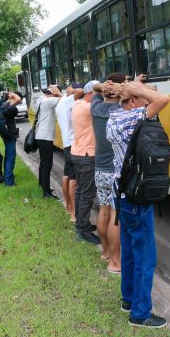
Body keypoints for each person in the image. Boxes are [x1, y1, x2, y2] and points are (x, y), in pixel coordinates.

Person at [106, 76, 170, 328]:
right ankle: (140, 313)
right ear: (132, 100)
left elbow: (152, 95)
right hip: (136, 197)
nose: (147, 101)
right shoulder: (134, 117)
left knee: (130, 250)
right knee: (145, 257)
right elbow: (163, 99)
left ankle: (128, 300)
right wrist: (135, 88)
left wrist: (134, 87)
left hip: (121, 194)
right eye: (141, 98)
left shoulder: (115, 116)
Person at [91, 74, 126, 272]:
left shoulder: (95, 108)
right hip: (115, 171)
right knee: (115, 215)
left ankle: (105, 251)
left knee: (103, 210)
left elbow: (93, 88)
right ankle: (115, 260)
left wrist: (103, 86)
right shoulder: (121, 110)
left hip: (99, 169)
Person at [70, 81, 101, 244]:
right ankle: (82, 229)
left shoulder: (77, 104)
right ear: (90, 93)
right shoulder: (89, 108)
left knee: (81, 191)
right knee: (88, 194)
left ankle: (82, 223)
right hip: (87, 155)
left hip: (78, 152)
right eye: (99, 93)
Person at [56, 83, 82, 219]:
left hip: (67, 143)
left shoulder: (62, 101)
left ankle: (68, 206)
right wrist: (72, 89)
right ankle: (74, 214)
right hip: (72, 144)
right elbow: (81, 91)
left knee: (67, 175)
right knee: (74, 179)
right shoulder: (67, 101)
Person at [34, 84, 62, 199]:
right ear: (51, 94)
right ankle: (46, 192)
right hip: (45, 137)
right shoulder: (49, 102)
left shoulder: (41, 99)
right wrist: (58, 92)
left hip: (40, 135)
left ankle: (42, 184)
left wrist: (52, 91)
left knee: (43, 163)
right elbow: (64, 99)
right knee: (47, 165)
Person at [0, 91, 23, 186]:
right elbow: (18, 99)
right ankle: (9, 181)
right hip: (9, 134)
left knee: (8, 155)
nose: (20, 102)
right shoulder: (8, 104)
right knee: (10, 157)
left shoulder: (2, 104)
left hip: (6, 133)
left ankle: (8, 175)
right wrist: (11, 94)